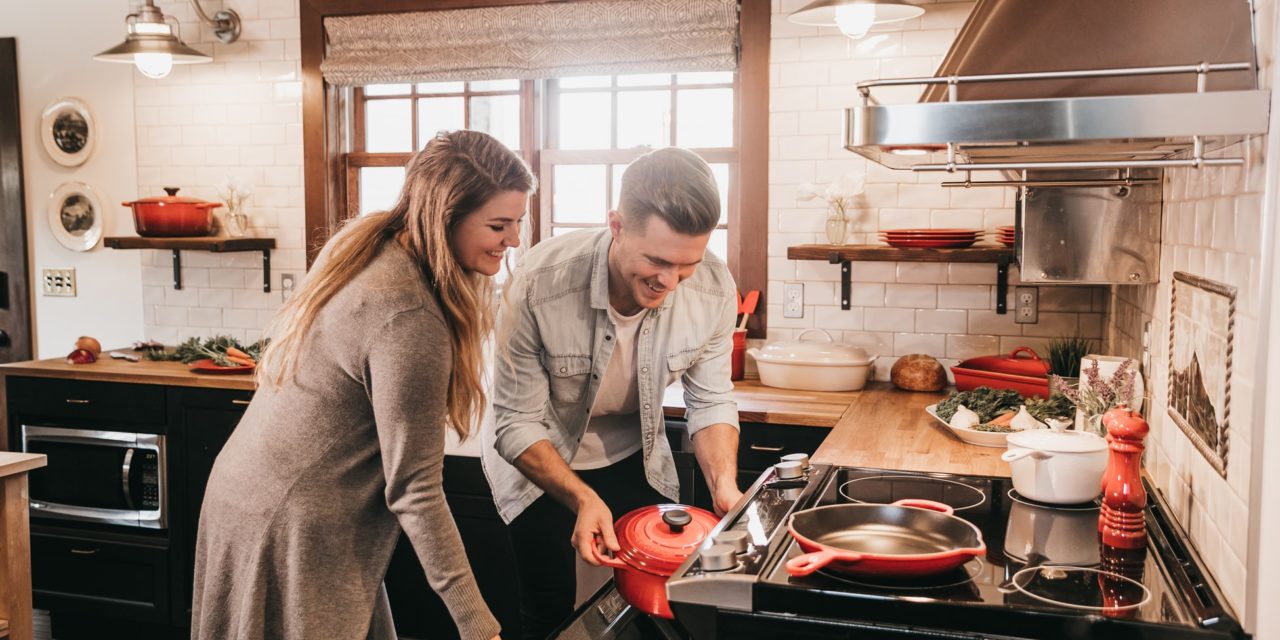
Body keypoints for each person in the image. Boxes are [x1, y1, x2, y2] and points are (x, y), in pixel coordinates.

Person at [192, 130, 535, 640]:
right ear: (446, 217)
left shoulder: (370, 244)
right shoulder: (408, 314)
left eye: (519, 223)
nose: (513, 240)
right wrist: (476, 623)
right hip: (292, 524)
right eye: (498, 225)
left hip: (251, 496)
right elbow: (415, 489)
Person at [482, 147, 743, 639]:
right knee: (550, 610)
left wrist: (723, 484)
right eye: (657, 260)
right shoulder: (540, 282)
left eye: (686, 265)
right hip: (538, 454)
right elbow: (515, 421)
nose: (670, 281)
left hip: (635, 453)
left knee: (657, 604)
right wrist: (582, 497)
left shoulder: (711, 287)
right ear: (617, 225)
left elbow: (709, 399)